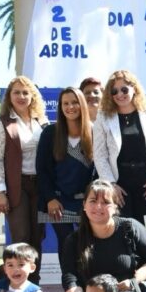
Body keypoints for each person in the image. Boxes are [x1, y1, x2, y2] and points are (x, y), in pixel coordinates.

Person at [0, 76, 49, 278]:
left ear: (33, 96)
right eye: (16, 92)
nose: (21, 96)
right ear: (9, 97)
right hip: (17, 186)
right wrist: (0, 192)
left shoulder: (42, 122)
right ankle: (17, 284)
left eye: (26, 92)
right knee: (21, 236)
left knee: (37, 236)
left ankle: (35, 285)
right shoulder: (3, 124)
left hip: (40, 186)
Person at [92, 70, 146, 224]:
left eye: (124, 89)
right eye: (114, 91)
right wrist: (111, 184)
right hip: (120, 183)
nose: (119, 94)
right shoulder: (103, 117)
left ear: (134, 88)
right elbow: (100, 154)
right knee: (123, 229)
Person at [36, 86, 95, 250]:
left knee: (88, 245)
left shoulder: (95, 132)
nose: (70, 107)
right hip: (58, 201)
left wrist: (92, 199)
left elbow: (98, 171)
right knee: (67, 244)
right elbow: (42, 170)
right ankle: (68, 277)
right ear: (60, 107)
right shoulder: (50, 133)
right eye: (65, 103)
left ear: (82, 104)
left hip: (86, 201)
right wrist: (50, 198)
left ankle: (87, 277)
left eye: (75, 102)